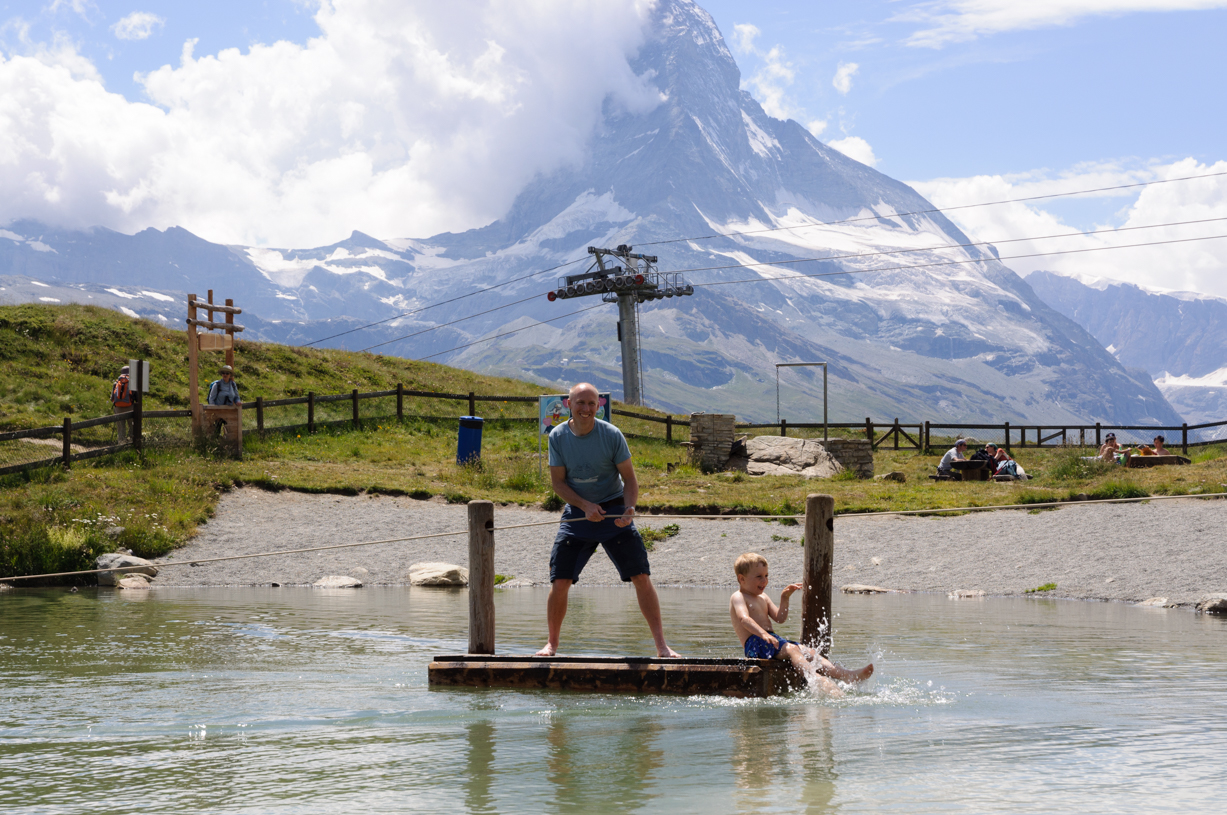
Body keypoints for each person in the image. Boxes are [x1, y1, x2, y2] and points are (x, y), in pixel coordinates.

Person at [536, 382, 679, 658]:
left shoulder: (611, 435)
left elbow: (630, 479)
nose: (587, 409)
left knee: (641, 576)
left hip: (614, 512)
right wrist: (584, 505)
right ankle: (551, 644)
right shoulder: (557, 436)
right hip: (578, 514)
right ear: (569, 405)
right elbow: (558, 483)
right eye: (581, 403)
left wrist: (629, 509)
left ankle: (662, 646)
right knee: (560, 580)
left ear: (599, 406)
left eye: (592, 404)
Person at [730, 552, 873, 695]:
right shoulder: (738, 597)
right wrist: (762, 633)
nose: (764, 580)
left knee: (807, 651)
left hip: (771, 639)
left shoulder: (763, 597)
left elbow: (780, 618)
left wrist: (784, 598)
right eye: (759, 576)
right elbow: (744, 619)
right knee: (792, 649)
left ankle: (846, 675)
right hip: (755, 642)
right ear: (741, 579)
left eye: (766, 576)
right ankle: (815, 678)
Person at [110, 364, 132, 444]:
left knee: (121, 427)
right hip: (130, 407)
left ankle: (121, 443)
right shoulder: (132, 383)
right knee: (132, 426)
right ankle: (131, 443)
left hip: (118, 408)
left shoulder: (116, 382)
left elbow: (112, 398)